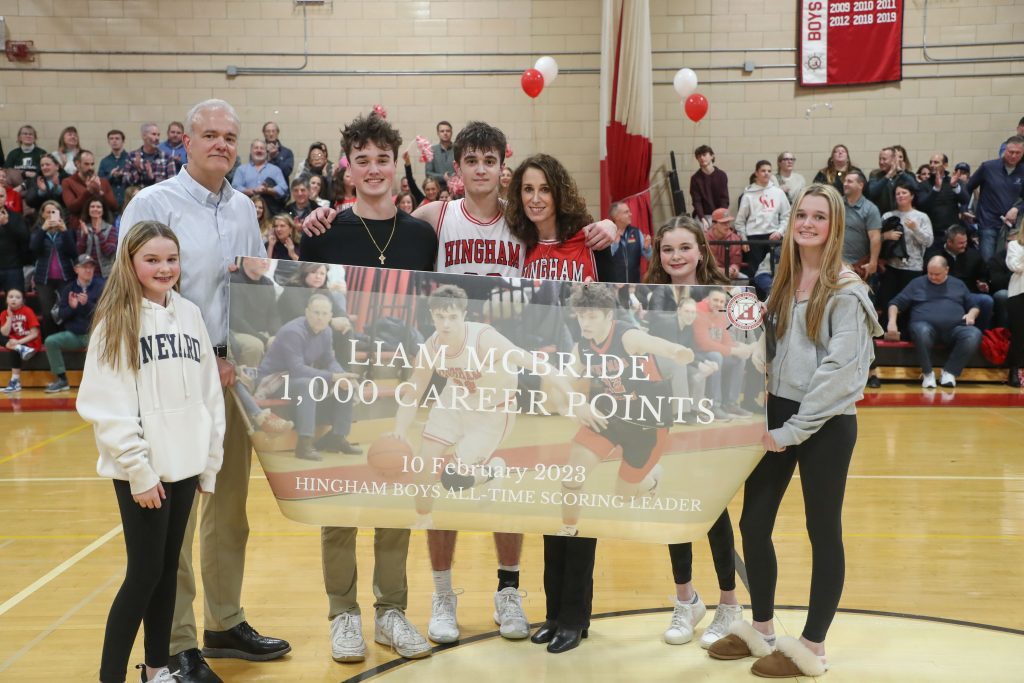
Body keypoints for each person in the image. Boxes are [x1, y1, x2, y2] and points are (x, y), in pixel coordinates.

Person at [119, 98, 289, 683]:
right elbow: (132, 292)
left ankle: (225, 621)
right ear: (186, 141)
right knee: (181, 515)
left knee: (230, 509)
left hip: (232, 371)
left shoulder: (245, 207)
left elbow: (253, 282)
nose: (220, 143)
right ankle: (178, 641)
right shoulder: (152, 203)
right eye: (209, 134)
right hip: (178, 376)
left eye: (229, 137)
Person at [708, 183, 881, 677]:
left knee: (822, 530)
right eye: (801, 214)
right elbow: (775, 354)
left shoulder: (847, 291)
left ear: (834, 226)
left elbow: (838, 376)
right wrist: (745, 330)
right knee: (754, 523)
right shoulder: (782, 281)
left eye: (818, 217)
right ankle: (761, 629)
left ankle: (813, 647)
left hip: (823, 423)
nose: (807, 223)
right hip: (779, 415)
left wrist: (791, 430)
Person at [300, 113, 435, 664]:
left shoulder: (422, 236)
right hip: (342, 384)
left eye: (384, 159)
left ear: (398, 166)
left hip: (401, 386)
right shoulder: (323, 232)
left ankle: (392, 612)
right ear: (347, 169)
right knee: (340, 504)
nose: (374, 169)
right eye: (363, 160)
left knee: (393, 498)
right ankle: (343, 615)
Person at [78, 221, 225, 683]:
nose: (164, 268)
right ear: (131, 263)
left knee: (164, 575)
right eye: (152, 259)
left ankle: (157, 669)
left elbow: (208, 395)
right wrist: (139, 472)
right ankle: (110, 677)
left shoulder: (190, 314)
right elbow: (106, 407)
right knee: (142, 575)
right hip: (145, 475)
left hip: (185, 467)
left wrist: (209, 461)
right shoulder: (116, 321)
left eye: (171, 259)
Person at [503, 152, 612, 655]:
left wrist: (614, 228)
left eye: (543, 188)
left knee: (576, 495)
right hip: (534, 381)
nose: (535, 198)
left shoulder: (588, 240)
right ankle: (552, 610)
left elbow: (615, 300)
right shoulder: (517, 244)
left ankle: (576, 614)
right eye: (527, 189)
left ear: (559, 190)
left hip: (582, 382)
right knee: (551, 496)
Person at [887, 255, 983, 389]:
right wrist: (892, 322)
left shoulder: (958, 284)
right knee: (922, 330)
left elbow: (974, 306)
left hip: (955, 329)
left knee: (974, 334)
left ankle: (950, 372)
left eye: (936, 274)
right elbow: (895, 303)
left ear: (946, 270)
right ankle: (927, 373)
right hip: (925, 327)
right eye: (929, 273)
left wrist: (971, 314)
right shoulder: (917, 283)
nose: (932, 277)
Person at [43, 254, 105, 393]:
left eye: (91, 267)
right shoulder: (68, 289)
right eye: (84, 267)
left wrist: (87, 304)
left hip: (94, 334)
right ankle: (62, 379)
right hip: (74, 335)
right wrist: (72, 307)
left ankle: (101, 381)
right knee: (51, 341)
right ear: (76, 269)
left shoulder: (101, 286)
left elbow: (105, 313)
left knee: (107, 342)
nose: (88, 270)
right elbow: (61, 316)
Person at [877, 179, 934, 314]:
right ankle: (886, 331)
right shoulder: (888, 215)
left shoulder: (921, 217)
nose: (900, 196)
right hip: (891, 266)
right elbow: (874, 239)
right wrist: (886, 236)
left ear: (912, 196)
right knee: (887, 302)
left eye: (904, 193)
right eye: (898, 193)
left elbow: (929, 242)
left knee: (908, 305)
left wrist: (916, 229)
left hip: (913, 268)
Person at [923, 224, 993, 330]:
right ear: (949, 242)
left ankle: (982, 336)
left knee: (986, 300)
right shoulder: (934, 256)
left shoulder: (974, 255)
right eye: (960, 243)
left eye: (965, 242)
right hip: (942, 294)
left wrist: (983, 284)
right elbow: (926, 277)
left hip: (968, 294)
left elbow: (983, 275)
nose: (964, 245)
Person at [966, 136, 1024, 262]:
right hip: (988, 223)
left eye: (1018, 153)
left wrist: (1017, 208)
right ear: (1005, 150)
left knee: (1009, 262)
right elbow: (968, 187)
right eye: (1011, 152)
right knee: (987, 260)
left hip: (1013, 227)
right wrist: (965, 210)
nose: (1013, 156)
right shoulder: (988, 167)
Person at [29, 200, 78, 339]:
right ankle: (50, 340)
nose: (51, 215)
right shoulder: (37, 231)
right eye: (48, 212)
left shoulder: (67, 231)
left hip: (66, 277)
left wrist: (65, 232)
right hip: (43, 279)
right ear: (42, 215)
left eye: (54, 212)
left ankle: (64, 339)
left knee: (65, 310)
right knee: (46, 312)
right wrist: (43, 230)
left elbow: (73, 252)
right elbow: (33, 249)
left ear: (59, 214)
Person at [736, 160, 790, 282]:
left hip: (773, 237)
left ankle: (773, 299)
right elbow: (740, 221)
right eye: (763, 171)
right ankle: (755, 300)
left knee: (775, 272)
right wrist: (744, 239)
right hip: (754, 238)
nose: (766, 173)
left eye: (769, 171)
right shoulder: (748, 194)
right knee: (754, 273)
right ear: (756, 173)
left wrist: (780, 232)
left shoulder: (778, 193)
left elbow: (787, 215)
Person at [61, 150, 118, 230]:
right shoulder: (68, 182)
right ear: (77, 164)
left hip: (103, 227)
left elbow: (114, 206)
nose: (90, 168)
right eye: (86, 164)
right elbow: (72, 207)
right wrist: (88, 191)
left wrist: (99, 192)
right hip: (79, 227)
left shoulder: (103, 182)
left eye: (92, 164)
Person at [841, 169, 882, 280]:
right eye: (845, 181)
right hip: (837, 263)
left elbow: (875, 237)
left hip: (858, 265)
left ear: (860, 185)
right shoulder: (837, 204)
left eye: (849, 181)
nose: (845, 184)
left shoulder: (870, 209)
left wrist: (873, 262)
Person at [0, 288, 42, 393]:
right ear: (6, 300)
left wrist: (18, 342)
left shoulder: (27, 311)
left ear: (22, 300)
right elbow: (4, 333)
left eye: (18, 297)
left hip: (30, 343)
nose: (14, 299)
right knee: (13, 346)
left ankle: (15, 382)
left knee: (14, 348)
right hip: (15, 343)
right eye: (11, 297)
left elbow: (35, 333)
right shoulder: (4, 314)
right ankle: (16, 383)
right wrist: (9, 317)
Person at [231, 139, 288, 215]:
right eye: (256, 148)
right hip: (245, 212)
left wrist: (268, 190)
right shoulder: (241, 170)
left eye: (262, 148)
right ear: (251, 151)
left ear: (266, 152)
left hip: (270, 213)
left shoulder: (275, 170)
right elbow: (235, 189)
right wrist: (253, 191)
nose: (259, 150)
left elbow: (283, 189)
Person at [607, 201, 652, 283]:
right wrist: (614, 244)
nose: (630, 214)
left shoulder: (636, 233)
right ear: (616, 216)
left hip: (633, 286)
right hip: (614, 287)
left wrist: (647, 249)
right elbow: (604, 259)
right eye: (626, 212)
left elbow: (650, 258)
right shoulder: (608, 234)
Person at [125, 123, 179, 188]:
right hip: (138, 196)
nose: (157, 138)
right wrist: (138, 171)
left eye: (158, 135)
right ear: (144, 136)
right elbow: (125, 182)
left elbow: (172, 184)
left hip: (159, 197)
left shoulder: (167, 157)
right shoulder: (132, 156)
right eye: (153, 134)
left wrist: (152, 178)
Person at [690, 144, 729, 225]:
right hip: (702, 216)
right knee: (701, 230)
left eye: (704, 155)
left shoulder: (721, 175)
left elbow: (724, 199)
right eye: (699, 156)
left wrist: (720, 217)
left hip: (719, 214)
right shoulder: (695, 178)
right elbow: (697, 201)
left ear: (712, 156)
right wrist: (702, 219)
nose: (701, 158)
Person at [1006, 228, 1024, 387]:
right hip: (1019, 293)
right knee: (1019, 334)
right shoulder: (1014, 245)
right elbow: (1015, 266)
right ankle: (1014, 369)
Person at [99, 130, 132, 209]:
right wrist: (111, 175)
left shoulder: (130, 159)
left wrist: (124, 175)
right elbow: (100, 183)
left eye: (117, 138)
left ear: (123, 141)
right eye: (111, 139)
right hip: (110, 202)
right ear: (108, 142)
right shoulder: (104, 161)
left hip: (127, 200)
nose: (114, 141)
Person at [0, 205, 29, 293]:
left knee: (15, 301)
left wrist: (7, 224)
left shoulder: (16, 217)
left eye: (1, 196)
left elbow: (25, 238)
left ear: (5, 197)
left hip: (13, 267)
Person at [425, 120, 456, 187]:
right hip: (437, 191)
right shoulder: (431, 150)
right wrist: (442, 177)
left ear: (451, 132)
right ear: (438, 133)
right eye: (442, 131)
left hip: (456, 190)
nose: (445, 133)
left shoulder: (458, 150)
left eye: (448, 131)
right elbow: (428, 173)